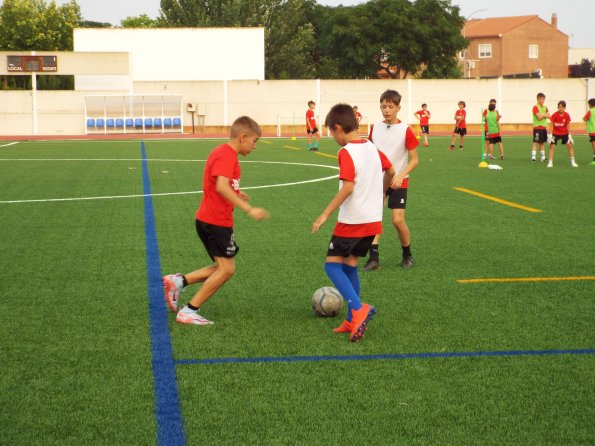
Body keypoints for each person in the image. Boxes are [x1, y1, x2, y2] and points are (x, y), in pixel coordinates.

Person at [162, 116, 270, 325]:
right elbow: (221, 186)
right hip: (216, 221)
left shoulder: (224, 153)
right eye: (255, 141)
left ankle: (177, 281)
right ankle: (189, 310)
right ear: (243, 137)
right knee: (227, 270)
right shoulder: (227, 155)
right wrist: (249, 209)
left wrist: (237, 192)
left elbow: (220, 184)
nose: (255, 146)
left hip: (209, 220)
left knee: (222, 268)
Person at [312, 103, 396, 342]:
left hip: (352, 220)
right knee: (349, 267)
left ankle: (359, 309)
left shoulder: (346, 152)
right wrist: (382, 192)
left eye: (332, 132)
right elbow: (391, 171)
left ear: (338, 127)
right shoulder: (371, 147)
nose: (333, 138)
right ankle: (351, 320)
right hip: (372, 221)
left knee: (332, 266)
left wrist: (325, 214)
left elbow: (348, 187)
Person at [362, 89, 419, 271]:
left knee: (397, 220)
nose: (386, 110)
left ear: (398, 108)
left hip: (399, 181)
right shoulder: (375, 127)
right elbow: (371, 152)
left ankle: (407, 255)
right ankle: (373, 259)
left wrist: (401, 175)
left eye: (390, 107)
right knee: (373, 218)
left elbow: (415, 159)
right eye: (383, 106)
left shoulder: (405, 130)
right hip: (377, 181)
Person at [548, 100, 578, 168]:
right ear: (557, 107)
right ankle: (550, 162)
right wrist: (550, 134)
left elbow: (568, 125)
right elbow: (551, 124)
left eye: (562, 107)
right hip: (555, 133)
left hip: (564, 133)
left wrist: (569, 135)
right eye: (559, 107)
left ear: (565, 108)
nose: (560, 108)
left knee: (570, 146)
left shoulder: (567, 115)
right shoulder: (554, 115)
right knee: (552, 147)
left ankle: (573, 162)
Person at [532, 93, 550, 162]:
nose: (542, 100)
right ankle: (533, 156)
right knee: (535, 142)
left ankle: (543, 157)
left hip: (544, 128)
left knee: (542, 142)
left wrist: (543, 115)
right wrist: (545, 115)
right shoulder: (535, 107)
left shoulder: (545, 107)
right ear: (537, 99)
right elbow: (539, 117)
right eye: (541, 99)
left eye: (543, 99)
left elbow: (549, 116)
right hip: (537, 127)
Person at [583, 98, 595, 165]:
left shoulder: (590, 111)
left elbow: (585, 118)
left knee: (594, 145)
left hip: (593, 131)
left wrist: (583, 118)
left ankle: (594, 160)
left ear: (590, 104)